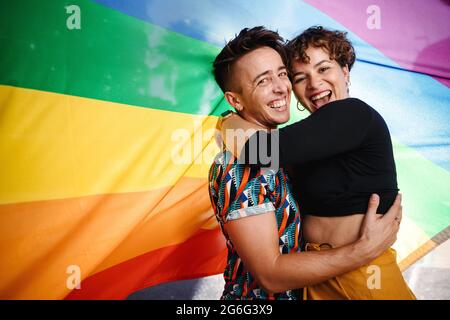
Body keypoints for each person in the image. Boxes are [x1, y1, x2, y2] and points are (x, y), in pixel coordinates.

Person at [220, 26, 415, 299]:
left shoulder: (353, 114)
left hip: (362, 276)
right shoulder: (311, 138)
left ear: (345, 71)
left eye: (324, 69)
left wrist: (226, 122)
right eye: (300, 77)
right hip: (318, 275)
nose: (314, 84)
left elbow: (257, 150)